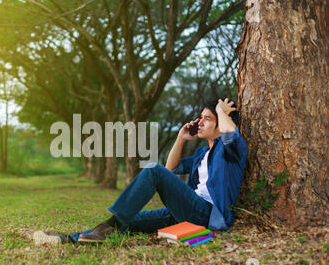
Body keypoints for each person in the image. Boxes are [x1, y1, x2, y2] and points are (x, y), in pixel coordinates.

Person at [33, 98, 247, 245]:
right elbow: (170, 169)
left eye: (207, 118)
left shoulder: (232, 149)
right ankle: (66, 239)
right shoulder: (202, 154)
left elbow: (229, 132)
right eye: (201, 117)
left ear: (222, 123)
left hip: (207, 215)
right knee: (129, 221)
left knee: (152, 169)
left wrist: (221, 109)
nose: (200, 122)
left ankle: (108, 227)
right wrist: (181, 138)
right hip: (185, 210)